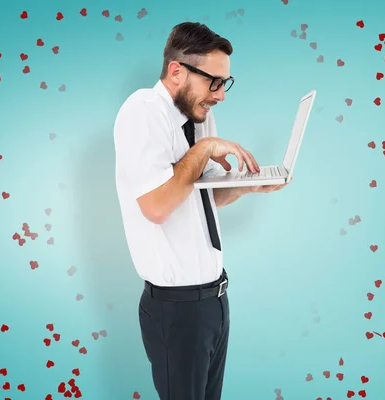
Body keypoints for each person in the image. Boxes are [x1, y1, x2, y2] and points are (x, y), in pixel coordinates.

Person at [113, 21, 291, 400]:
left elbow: (201, 197)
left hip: (214, 301)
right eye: (213, 81)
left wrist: (250, 186)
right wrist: (205, 148)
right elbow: (158, 206)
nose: (220, 96)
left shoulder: (198, 115)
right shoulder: (142, 110)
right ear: (177, 71)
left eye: (224, 83)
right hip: (177, 311)